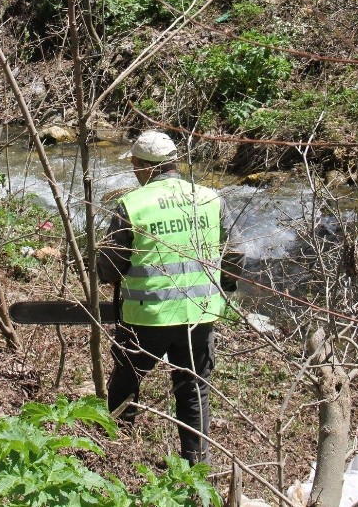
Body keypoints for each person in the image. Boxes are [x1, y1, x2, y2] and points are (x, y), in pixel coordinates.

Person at [97, 130, 243, 466]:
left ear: (146, 167)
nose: (133, 170)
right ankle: (196, 469)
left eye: (135, 164)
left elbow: (108, 266)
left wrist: (111, 277)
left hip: (148, 317)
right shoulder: (210, 198)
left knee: (126, 387)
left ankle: (116, 457)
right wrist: (224, 285)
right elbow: (235, 253)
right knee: (194, 392)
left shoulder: (134, 205)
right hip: (201, 314)